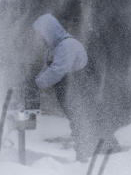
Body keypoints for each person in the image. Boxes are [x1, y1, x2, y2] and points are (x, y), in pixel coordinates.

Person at [33, 13, 119, 161]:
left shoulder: (68, 45)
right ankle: (93, 152)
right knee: (81, 120)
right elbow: (47, 68)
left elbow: (56, 71)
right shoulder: (54, 48)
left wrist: (37, 83)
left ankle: (92, 155)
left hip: (81, 90)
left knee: (84, 119)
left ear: (49, 30)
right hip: (70, 93)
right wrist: (35, 81)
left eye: (41, 33)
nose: (40, 37)